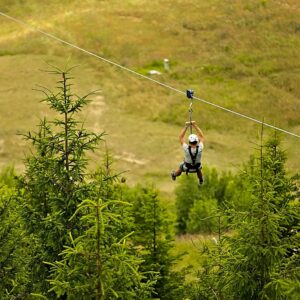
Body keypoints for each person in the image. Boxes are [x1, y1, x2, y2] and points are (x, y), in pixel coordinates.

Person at [171, 121, 204, 185]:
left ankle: (174, 174)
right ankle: (201, 179)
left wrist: (186, 126)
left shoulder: (186, 148)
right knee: (198, 168)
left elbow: (181, 137)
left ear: (189, 141)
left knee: (181, 167)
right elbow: (201, 137)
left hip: (187, 167)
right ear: (197, 141)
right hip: (196, 168)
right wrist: (195, 125)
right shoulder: (200, 148)